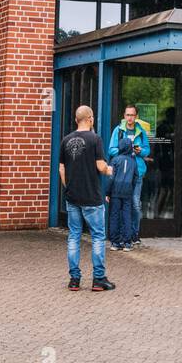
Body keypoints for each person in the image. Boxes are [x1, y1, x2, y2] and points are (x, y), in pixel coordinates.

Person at [59, 105, 114, 292]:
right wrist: (108, 170)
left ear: (76, 120)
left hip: (72, 197)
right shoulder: (95, 139)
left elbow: (61, 169)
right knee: (98, 236)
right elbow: (100, 166)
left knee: (73, 236)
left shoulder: (65, 140)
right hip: (92, 197)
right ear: (90, 119)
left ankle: (74, 279)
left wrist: (70, 187)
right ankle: (98, 279)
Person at [108, 105, 151, 248]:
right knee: (120, 206)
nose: (130, 118)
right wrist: (125, 151)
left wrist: (139, 151)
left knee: (135, 204)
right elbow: (111, 149)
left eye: (132, 115)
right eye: (127, 115)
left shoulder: (141, 131)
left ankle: (134, 234)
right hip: (122, 175)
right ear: (124, 115)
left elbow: (147, 150)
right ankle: (122, 236)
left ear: (136, 116)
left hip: (137, 171)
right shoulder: (118, 130)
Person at [107, 136, 137, 251]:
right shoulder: (133, 161)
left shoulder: (115, 160)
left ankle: (115, 242)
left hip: (115, 191)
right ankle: (127, 243)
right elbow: (135, 177)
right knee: (127, 216)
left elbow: (111, 178)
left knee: (114, 216)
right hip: (127, 191)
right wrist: (131, 188)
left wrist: (107, 192)